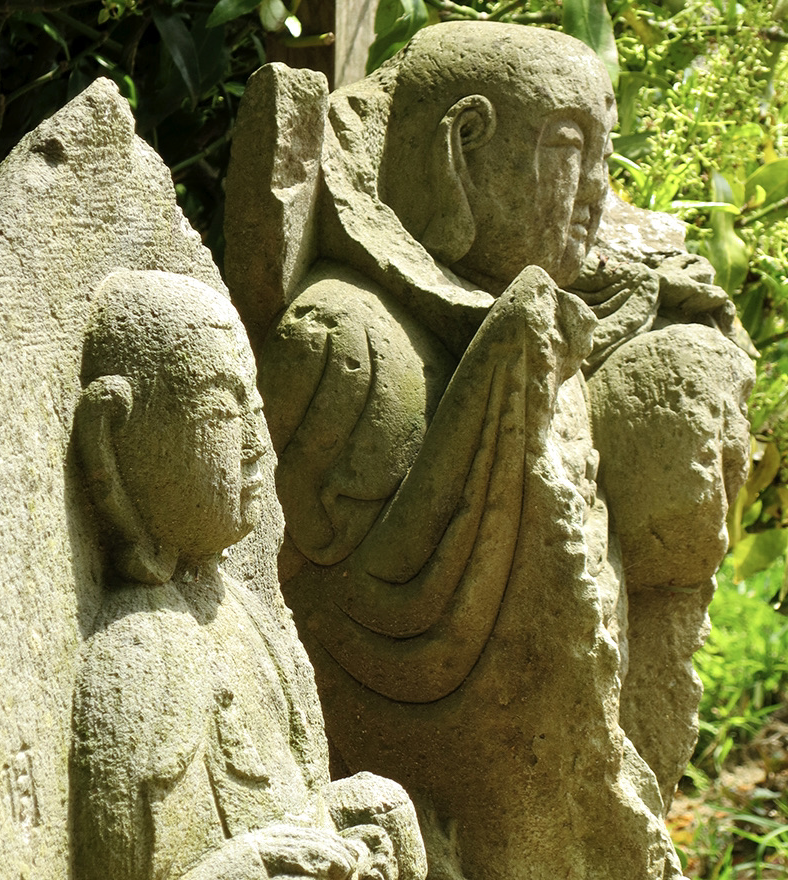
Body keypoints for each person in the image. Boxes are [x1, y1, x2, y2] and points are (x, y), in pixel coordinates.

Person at [226, 21, 754, 880]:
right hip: (415, 794)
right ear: (460, 146)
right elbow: (326, 596)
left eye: (604, 156)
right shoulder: (353, 337)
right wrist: (495, 396)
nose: (596, 191)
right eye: (568, 150)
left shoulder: (545, 327)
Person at [69, 269, 427, 880]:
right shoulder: (134, 661)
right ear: (114, 435)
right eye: (221, 412)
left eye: (253, 405)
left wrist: (346, 824)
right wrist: (256, 865)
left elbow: (299, 801)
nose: (258, 443)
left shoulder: (250, 617)